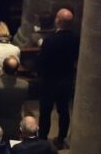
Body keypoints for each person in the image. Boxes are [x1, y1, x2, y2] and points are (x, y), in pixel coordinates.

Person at [37, 8, 79, 149]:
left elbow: (42, 61)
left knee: (45, 111)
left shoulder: (50, 41)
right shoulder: (76, 39)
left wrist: (39, 73)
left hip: (49, 80)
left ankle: (43, 138)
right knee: (63, 110)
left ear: (58, 21)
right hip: (66, 79)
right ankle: (61, 138)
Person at [0, 56, 29, 140]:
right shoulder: (25, 85)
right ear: (17, 70)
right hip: (15, 123)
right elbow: (23, 103)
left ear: (3, 69)